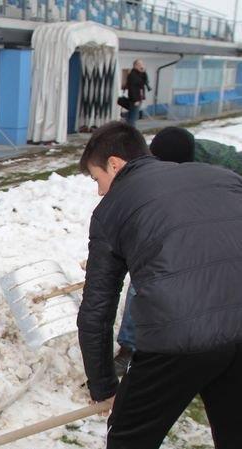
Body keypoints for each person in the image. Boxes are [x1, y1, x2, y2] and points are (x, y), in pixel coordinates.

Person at [78, 121, 242, 449]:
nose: (99, 191)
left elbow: (96, 310)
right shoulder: (224, 178)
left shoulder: (111, 209)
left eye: (97, 179)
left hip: (177, 338)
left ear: (115, 164)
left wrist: (105, 388)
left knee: (129, 438)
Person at [113, 126, 242, 375]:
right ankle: (129, 349)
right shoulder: (148, 169)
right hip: (180, 218)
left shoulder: (220, 160)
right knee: (147, 274)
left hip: (224, 216)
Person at [124, 59, 150, 128]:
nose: (142, 66)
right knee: (133, 117)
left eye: (142, 64)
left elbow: (145, 81)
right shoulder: (133, 75)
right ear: (135, 65)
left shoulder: (139, 74)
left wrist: (144, 72)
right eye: (140, 64)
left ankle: (129, 130)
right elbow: (132, 88)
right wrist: (135, 100)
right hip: (135, 100)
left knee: (134, 116)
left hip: (139, 98)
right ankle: (131, 132)